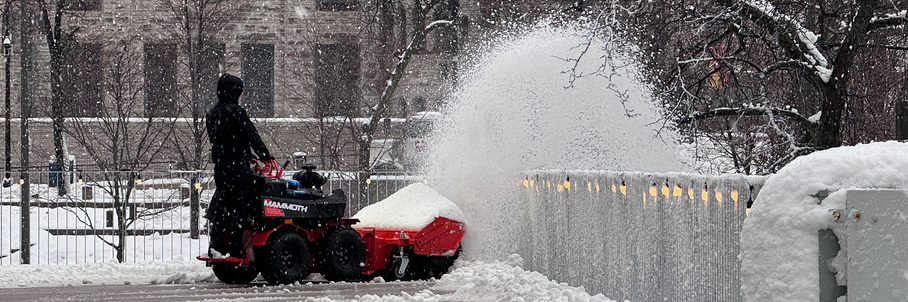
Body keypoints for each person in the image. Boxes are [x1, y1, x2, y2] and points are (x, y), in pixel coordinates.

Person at [205, 73, 273, 258]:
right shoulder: (237, 112)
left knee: (222, 205)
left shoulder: (212, 113)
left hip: (221, 167)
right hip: (238, 168)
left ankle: (216, 245)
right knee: (240, 208)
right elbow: (251, 134)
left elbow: (222, 140)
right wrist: (265, 155)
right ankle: (236, 248)